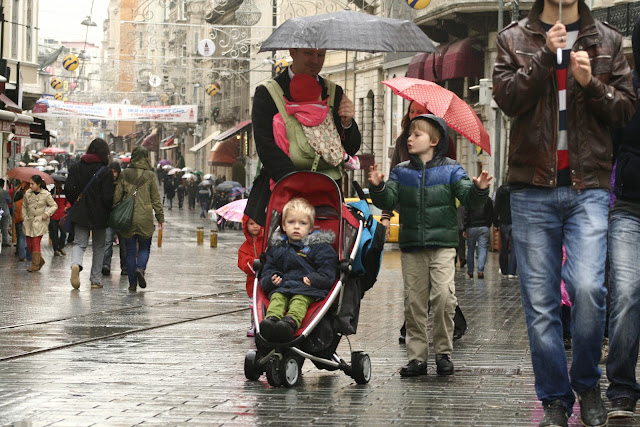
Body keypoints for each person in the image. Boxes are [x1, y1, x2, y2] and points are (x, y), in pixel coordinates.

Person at [492, 0, 636, 424]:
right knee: (541, 306)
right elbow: (507, 100)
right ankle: (555, 397)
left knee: (590, 289)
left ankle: (588, 384)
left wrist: (591, 83)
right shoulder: (514, 37)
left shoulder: (606, 39)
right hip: (530, 189)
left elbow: (625, 108)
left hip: (587, 187)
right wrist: (542, 58)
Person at [368, 114, 492, 377]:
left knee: (444, 298)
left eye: (416, 135)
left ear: (434, 141)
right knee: (414, 303)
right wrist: (378, 187)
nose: (409, 139)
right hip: (412, 246)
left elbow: (469, 198)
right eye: (409, 135)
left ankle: (444, 353)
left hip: (443, 245)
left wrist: (479, 188)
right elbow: (388, 198)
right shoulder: (401, 171)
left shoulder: (452, 169)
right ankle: (417, 358)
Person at [245, 48, 361, 226]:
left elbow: (350, 148)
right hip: (283, 194)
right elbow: (265, 146)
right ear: (293, 52)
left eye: (320, 55)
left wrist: (347, 123)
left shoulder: (333, 91)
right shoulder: (268, 92)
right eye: (309, 53)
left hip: (327, 200)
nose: (315, 60)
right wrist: (298, 185)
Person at [605, 14, 640, 421]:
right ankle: (622, 389)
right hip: (629, 208)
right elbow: (606, 148)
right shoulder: (625, 92)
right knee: (627, 294)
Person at [258, 197, 338, 343]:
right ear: (283, 225)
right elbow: (268, 268)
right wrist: (271, 279)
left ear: (311, 227)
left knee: (299, 301)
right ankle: (271, 320)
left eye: (302, 223)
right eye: (291, 222)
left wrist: (315, 279)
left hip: (307, 288)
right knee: (277, 298)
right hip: (283, 286)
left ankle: (290, 322)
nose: (296, 227)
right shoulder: (278, 247)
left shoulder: (320, 247)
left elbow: (328, 271)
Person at [66, 139, 114, 290]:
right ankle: (95, 280)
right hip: (100, 215)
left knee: (80, 243)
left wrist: (76, 202)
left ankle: (76, 264)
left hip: (81, 212)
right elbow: (108, 197)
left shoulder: (76, 167)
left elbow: (68, 188)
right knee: (99, 246)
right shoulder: (105, 171)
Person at [114, 146, 164, 291]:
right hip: (145, 217)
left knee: (129, 251)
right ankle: (140, 268)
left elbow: (117, 196)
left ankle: (132, 283)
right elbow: (155, 198)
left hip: (128, 217)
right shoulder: (149, 175)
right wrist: (160, 217)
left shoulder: (125, 174)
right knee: (144, 247)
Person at [22, 175, 57, 272]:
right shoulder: (28, 193)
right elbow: (24, 206)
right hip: (28, 221)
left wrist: (47, 213)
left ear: (38, 184)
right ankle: (39, 260)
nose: (31, 186)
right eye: (30, 183)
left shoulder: (46, 194)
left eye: (32, 184)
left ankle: (35, 266)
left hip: (39, 221)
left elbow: (54, 205)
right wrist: (24, 217)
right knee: (29, 244)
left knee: (35, 242)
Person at [238, 215, 264, 337]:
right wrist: (253, 262)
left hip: (265, 278)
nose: (255, 226)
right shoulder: (244, 247)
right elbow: (242, 262)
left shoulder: (265, 241)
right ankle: (254, 323)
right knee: (253, 303)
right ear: (246, 226)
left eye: (257, 223)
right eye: (251, 224)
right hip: (252, 280)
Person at [102, 162, 127, 277]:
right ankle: (106, 265)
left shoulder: (123, 184)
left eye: (115, 171)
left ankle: (125, 267)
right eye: (111, 171)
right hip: (109, 217)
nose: (113, 174)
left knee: (124, 243)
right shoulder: (106, 184)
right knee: (107, 242)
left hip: (121, 218)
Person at [464, 197, 493, 279]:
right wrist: (488, 224)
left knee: (470, 249)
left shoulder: (470, 199)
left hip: (471, 227)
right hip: (484, 226)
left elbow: (466, 215)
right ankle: (480, 271)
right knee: (483, 248)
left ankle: (470, 271)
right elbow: (491, 213)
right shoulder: (487, 199)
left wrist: (464, 228)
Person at [494, 184, 517, 279]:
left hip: (504, 221)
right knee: (515, 247)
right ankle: (512, 271)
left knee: (504, 246)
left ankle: (504, 270)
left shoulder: (500, 191)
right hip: (515, 220)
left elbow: (496, 207)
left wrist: (495, 223)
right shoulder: (515, 190)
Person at [49, 177, 70, 257]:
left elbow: (68, 201)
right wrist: (51, 198)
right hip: (53, 215)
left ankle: (61, 247)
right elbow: (47, 203)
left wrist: (67, 207)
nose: (59, 184)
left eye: (60, 183)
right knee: (54, 234)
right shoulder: (51, 192)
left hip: (62, 215)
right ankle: (56, 249)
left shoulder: (64, 192)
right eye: (57, 183)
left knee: (63, 233)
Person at [12, 181, 31, 262]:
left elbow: (13, 203)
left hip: (19, 218)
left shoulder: (18, 191)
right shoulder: (31, 192)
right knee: (29, 237)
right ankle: (29, 257)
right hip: (27, 219)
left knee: (21, 237)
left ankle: (21, 255)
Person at [0, 178, 11, 247]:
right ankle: (4, 242)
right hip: (4, 211)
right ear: (2, 184)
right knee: (4, 227)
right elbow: (9, 200)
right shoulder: (4, 192)